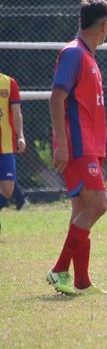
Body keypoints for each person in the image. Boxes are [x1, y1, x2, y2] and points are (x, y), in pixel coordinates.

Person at [46, 0, 107, 296]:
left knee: (82, 209)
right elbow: (56, 98)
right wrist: (61, 143)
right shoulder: (73, 54)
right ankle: (60, 269)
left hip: (90, 147)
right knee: (98, 205)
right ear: (104, 26)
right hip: (78, 147)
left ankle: (82, 282)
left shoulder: (88, 57)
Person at [0, 71, 27, 233]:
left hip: (6, 145)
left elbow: (17, 113)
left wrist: (21, 136)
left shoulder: (9, 83)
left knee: (8, 190)